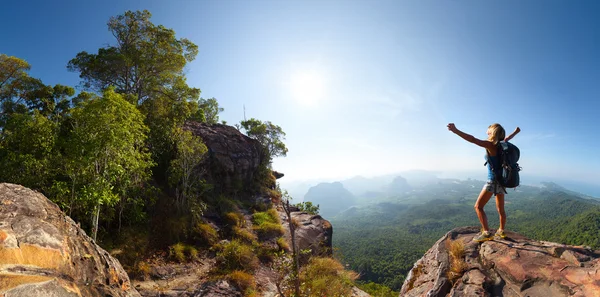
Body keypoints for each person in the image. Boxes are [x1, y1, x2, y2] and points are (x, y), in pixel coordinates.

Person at [447, 123, 521, 242]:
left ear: (493, 132)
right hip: (502, 181)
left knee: (478, 206)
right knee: (501, 210)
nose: (486, 132)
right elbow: (507, 139)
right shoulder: (502, 145)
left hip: (492, 181)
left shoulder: (490, 145)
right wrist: (515, 132)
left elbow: (473, 139)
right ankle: (501, 231)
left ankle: (486, 233)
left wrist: (456, 131)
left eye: (488, 130)